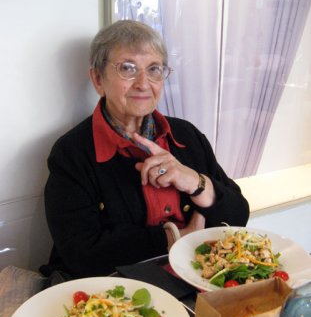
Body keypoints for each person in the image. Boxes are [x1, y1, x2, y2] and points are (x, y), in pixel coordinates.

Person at [39, 20, 249, 280]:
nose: (143, 82)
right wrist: (176, 238)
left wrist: (196, 182)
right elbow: (82, 254)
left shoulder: (186, 135)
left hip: (192, 283)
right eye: (127, 68)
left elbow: (238, 215)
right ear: (97, 79)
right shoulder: (71, 153)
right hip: (112, 298)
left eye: (154, 69)